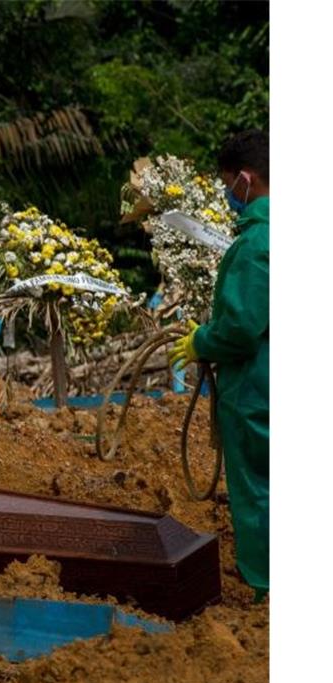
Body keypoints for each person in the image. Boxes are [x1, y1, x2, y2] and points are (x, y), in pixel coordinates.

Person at [169, 129, 269, 597]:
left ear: (246, 180)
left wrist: (201, 341)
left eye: (229, 184)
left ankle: (266, 583)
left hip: (258, 389)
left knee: (258, 489)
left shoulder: (256, 245)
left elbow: (241, 327)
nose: (229, 195)